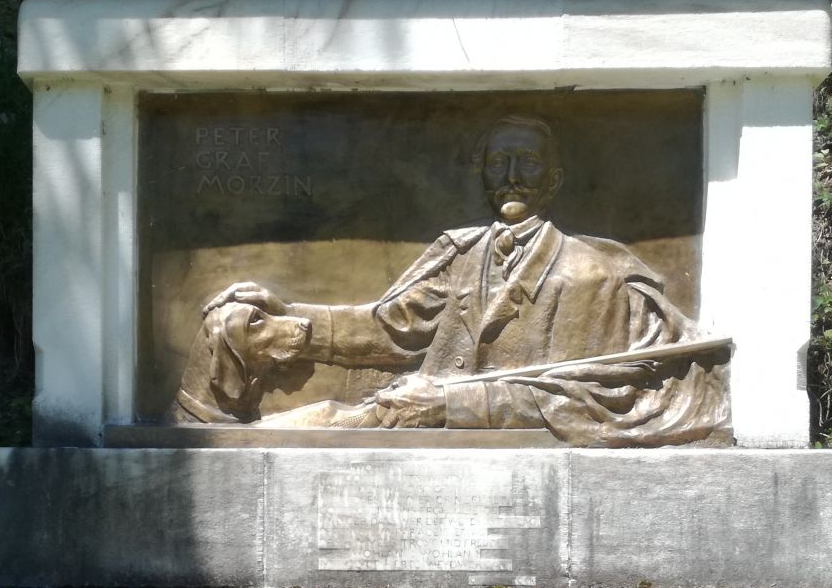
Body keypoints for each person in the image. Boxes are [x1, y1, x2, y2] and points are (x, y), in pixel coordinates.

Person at [179, 114, 727, 446]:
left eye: (529, 163)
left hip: (475, 435)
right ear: (482, 173)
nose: (512, 176)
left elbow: (590, 398)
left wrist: (448, 406)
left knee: (316, 422)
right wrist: (290, 313)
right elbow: (391, 331)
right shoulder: (459, 252)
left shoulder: (594, 274)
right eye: (499, 162)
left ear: (554, 178)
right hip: (404, 421)